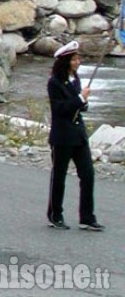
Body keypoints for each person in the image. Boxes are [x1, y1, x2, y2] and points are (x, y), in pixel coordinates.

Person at [46, 41, 104, 231]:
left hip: (79, 135)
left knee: (88, 175)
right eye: (74, 59)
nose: (77, 62)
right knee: (59, 177)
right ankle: (56, 215)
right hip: (62, 137)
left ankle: (87, 217)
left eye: (78, 59)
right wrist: (79, 99)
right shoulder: (54, 82)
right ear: (65, 61)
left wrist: (83, 102)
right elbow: (60, 109)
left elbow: (78, 106)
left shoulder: (76, 79)